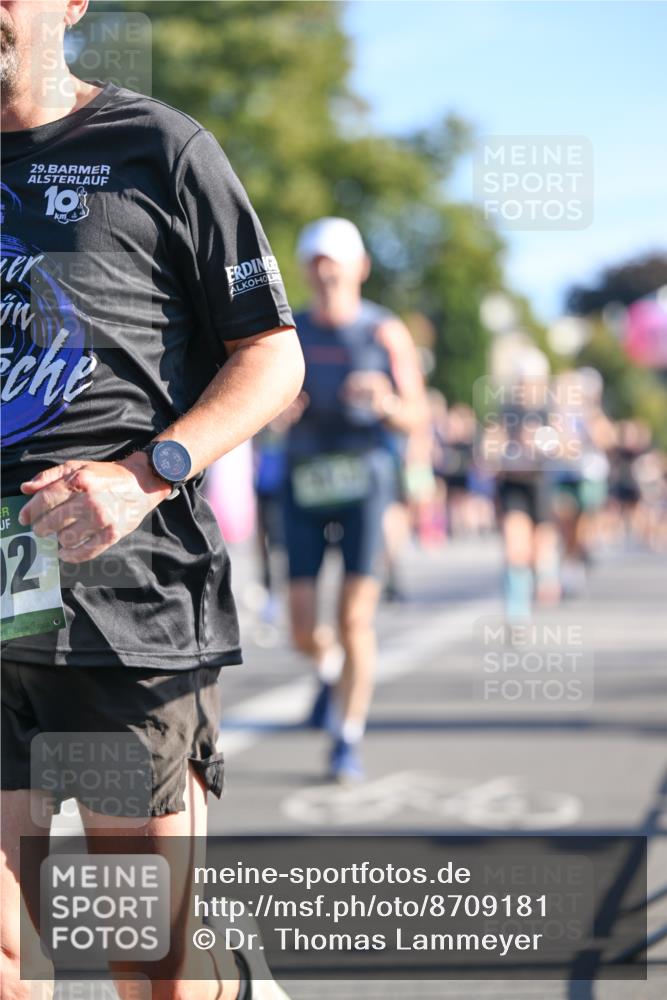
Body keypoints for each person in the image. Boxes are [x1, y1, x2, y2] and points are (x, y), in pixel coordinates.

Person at [0, 3, 303, 1000]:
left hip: (124, 602)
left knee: (151, 959)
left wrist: (143, 474)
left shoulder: (158, 147)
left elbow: (270, 355)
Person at [283, 217, 428, 782]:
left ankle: (347, 737)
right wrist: (277, 411)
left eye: (336, 263)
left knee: (354, 617)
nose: (326, 274)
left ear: (360, 269)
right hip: (304, 481)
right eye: (317, 263)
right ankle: (327, 669)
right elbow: (256, 405)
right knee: (300, 626)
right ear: (305, 270)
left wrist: (387, 403)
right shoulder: (289, 329)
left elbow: (418, 414)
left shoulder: (383, 331)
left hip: (365, 482)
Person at [482, 348, 561, 621]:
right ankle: (517, 610)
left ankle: (545, 573)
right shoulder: (507, 410)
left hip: (539, 484)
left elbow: (563, 445)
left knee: (540, 549)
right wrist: (495, 449)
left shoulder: (548, 410)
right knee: (515, 547)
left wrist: (543, 441)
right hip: (512, 483)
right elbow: (490, 442)